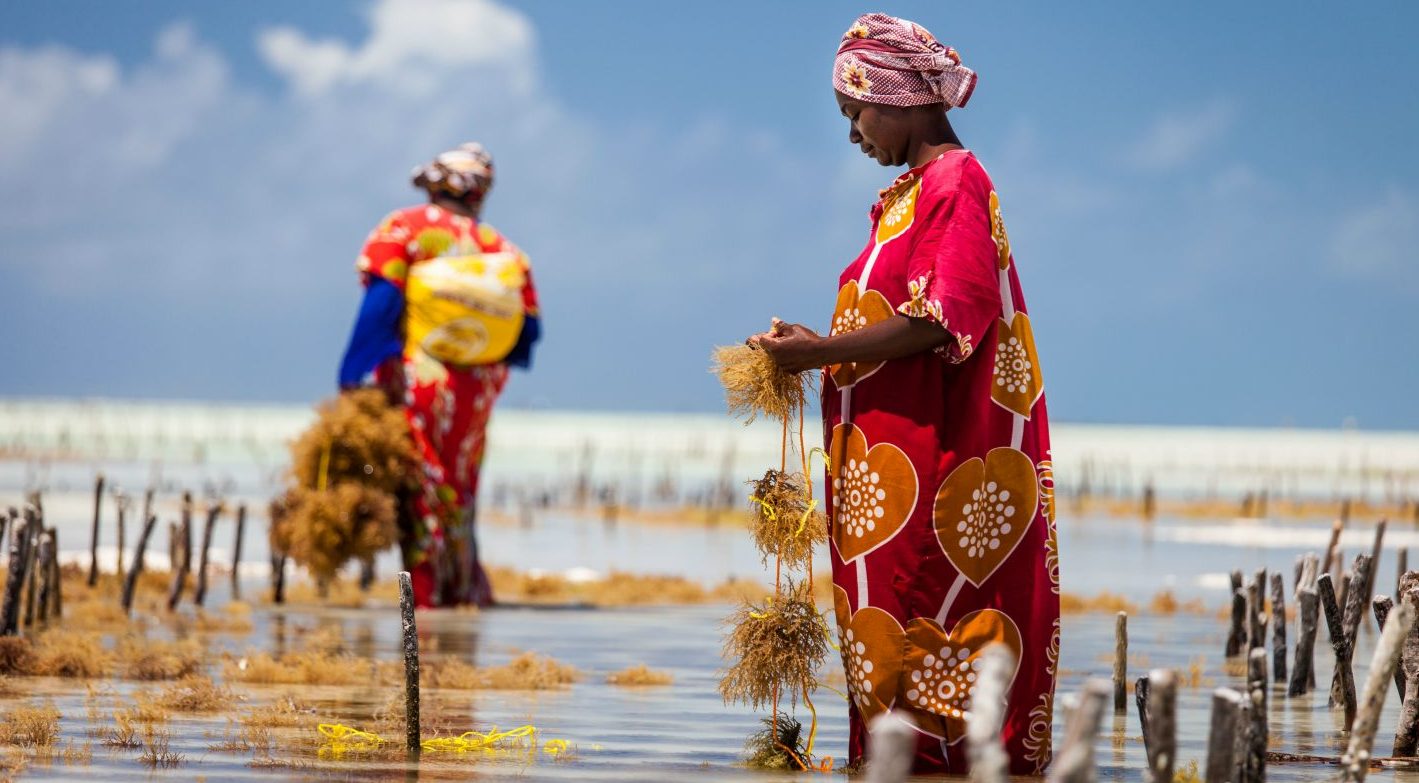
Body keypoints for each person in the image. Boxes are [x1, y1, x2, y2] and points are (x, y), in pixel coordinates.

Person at [753, 14, 1058, 775]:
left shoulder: (955, 181)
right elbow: (897, 314)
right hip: (887, 476)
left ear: (895, 97)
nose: (852, 132)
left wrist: (819, 352)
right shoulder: (908, 195)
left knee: (929, 631)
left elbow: (940, 318)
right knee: (885, 643)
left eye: (853, 111)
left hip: (933, 470)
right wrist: (816, 339)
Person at [339, 142, 541, 609]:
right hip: (477, 389)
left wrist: (351, 377)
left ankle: (425, 600)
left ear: (433, 184)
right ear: (479, 194)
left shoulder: (403, 229)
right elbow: (527, 334)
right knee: (460, 488)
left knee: (422, 487)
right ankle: (463, 591)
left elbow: (381, 305)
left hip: (420, 380)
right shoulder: (504, 250)